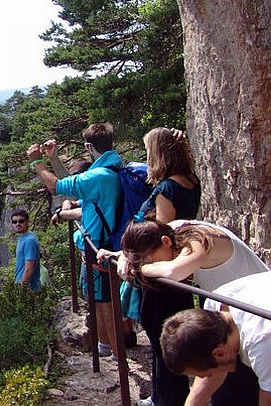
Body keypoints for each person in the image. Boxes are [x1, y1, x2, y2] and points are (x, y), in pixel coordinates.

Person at [99, 126, 202, 406]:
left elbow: (162, 235)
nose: (147, 156)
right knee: (168, 339)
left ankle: (166, 399)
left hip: (159, 276)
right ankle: (163, 395)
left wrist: (131, 259)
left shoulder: (167, 188)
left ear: (157, 153)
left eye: (149, 151)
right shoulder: (190, 180)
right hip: (174, 276)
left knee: (161, 339)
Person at [118, 219, 269, 405]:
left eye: (151, 260)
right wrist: (126, 257)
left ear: (165, 241)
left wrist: (139, 268)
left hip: (256, 319)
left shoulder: (197, 241)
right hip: (238, 314)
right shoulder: (173, 232)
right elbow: (212, 372)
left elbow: (173, 271)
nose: (153, 266)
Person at [27, 122, 123, 357]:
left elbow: (55, 186)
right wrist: (54, 158)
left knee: (103, 303)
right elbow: (73, 190)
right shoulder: (112, 167)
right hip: (105, 242)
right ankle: (111, 345)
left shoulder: (99, 176)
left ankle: (114, 354)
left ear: (89, 147)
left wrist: (36, 162)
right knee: (102, 300)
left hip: (98, 246)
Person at [160, 272, 271, 406]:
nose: (204, 379)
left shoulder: (262, 342)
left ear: (220, 353)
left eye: (207, 374)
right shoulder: (216, 305)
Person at [11, 209, 42, 291]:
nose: (17, 224)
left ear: (27, 222)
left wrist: (22, 290)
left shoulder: (29, 240)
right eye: (14, 222)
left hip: (29, 290)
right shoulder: (23, 238)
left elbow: (29, 268)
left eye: (21, 221)